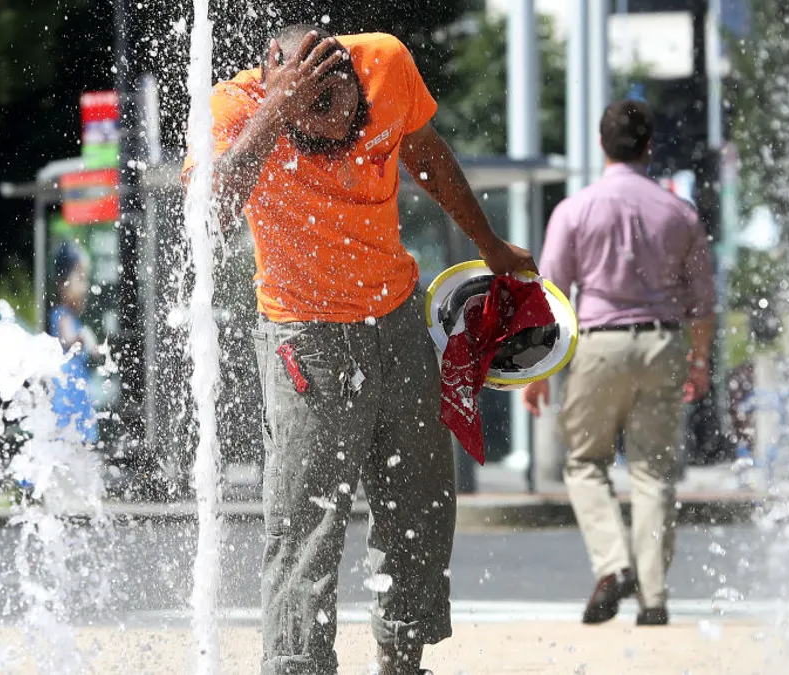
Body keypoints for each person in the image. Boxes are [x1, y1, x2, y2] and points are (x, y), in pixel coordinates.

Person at [184, 25, 536, 675]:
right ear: (279, 88)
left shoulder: (388, 62)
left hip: (396, 320)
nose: (339, 137)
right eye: (314, 122)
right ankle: (297, 664)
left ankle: (402, 657)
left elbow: (424, 151)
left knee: (422, 501)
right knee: (306, 523)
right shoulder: (235, 109)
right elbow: (209, 214)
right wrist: (273, 113)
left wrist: (490, 245)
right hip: (304, 340)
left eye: (349, 116)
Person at [522, 100, 716, 627]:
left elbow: (553, 296)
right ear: (650, 146)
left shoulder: (576, 209)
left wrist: (539, 373)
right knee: (654, 472)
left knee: (586, 463)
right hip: (663, 342)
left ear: (602, 146)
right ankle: (653, 599)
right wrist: (698, 361)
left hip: (599, 344)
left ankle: (613, 565)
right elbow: (702, 300)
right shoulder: (680, 213)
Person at [48, 241, 100, 446]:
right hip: (67, 395)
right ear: (63, 283)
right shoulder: (63, 316)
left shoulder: (72, 318)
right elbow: (67, 340)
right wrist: (83, 337)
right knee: (68, 441)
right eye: (80, 278)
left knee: (76, 446)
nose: (85, 286)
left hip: (76, 393)